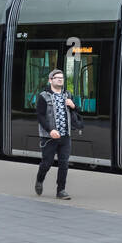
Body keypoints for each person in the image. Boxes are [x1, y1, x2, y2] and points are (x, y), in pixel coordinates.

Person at [35, 68, 81, 199]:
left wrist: (73, 105)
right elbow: (40, 116)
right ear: (50, 80)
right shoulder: (43, 96)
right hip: (49, 137)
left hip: (65, 136)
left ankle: (61, 190)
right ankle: (39, 179)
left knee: (64, 163)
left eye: (62, 78)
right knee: (47, 163)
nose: (60, 79)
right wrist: (50, 130)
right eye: (57, 78)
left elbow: (77, 111)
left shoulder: (68, 95)